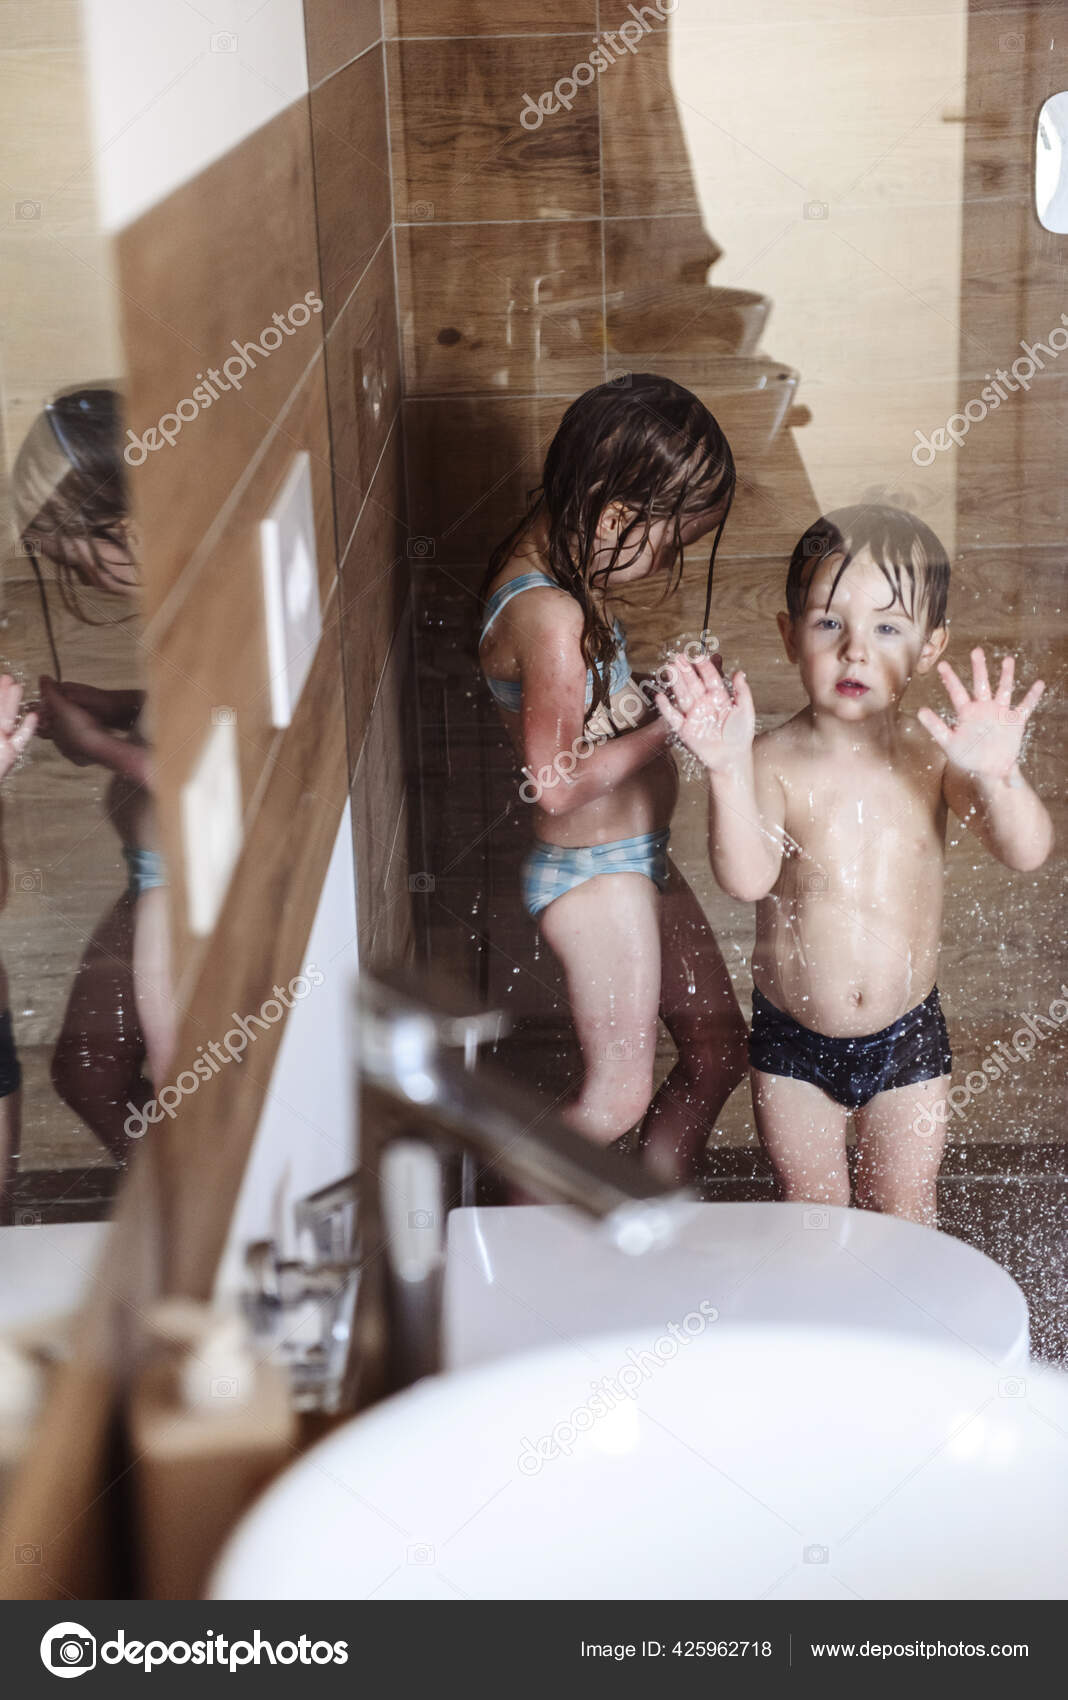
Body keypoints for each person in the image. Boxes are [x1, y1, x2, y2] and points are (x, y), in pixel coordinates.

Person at [656, 504, 1053, 1227]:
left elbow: (1025, 850)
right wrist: (725, 769)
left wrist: (1001, 778)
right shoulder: (771, 760)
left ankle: (904, 1304)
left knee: (904, 1212)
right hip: (793, 1045)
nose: (855, 651)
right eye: (829, 622)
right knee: (813, 1218)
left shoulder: (933, 759)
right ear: (789, 635)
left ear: (931, 647)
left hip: (906, 1038)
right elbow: (745, 878)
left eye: (888, 628)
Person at [479, 374, 748, 1182]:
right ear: (614, 516)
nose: (666, 563)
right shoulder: (549, 615)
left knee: (718, 1048)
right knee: (615, 1100)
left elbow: (584, 714)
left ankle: (655, 1218)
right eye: (668, 542)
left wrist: (659, 697)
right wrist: (670, 729)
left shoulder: (567, 581)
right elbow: (556, 783)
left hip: (632, 859)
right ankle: (503, 1235)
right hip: (593, 874)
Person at [14, 387, 174, 1163]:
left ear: (131, 531)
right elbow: (197, 719)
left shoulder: (214, 607)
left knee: (184, 1090)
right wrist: (117, 708)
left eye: (73, 555)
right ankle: (169, 1203)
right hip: (150, 876)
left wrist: (100, 747)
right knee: (87, 1073)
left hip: (185, 891)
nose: (74, 576)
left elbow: (218, 780)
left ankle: (199, 1210)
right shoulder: (177, 602)